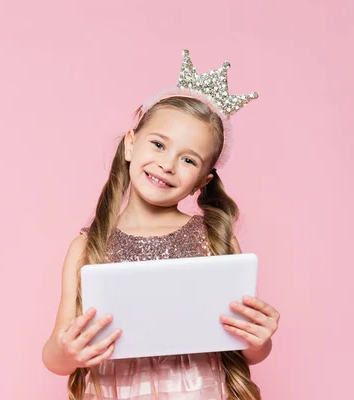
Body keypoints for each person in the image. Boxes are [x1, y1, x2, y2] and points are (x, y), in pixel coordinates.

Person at [41, 50, 280, 400]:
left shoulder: (213, 239)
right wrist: (69, 352)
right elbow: (54, 358)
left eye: (187, 159)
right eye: (158, 144)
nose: (167, 165)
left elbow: (248, 347)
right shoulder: (87, 248)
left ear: (203, 179)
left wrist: (261, 340)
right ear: (130, 144)